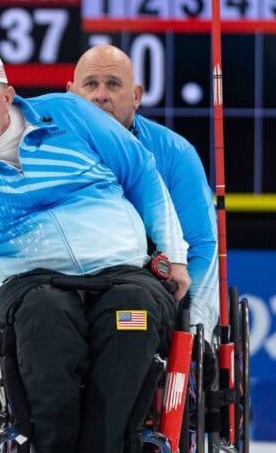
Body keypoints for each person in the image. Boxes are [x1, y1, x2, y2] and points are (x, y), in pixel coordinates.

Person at [0, 43, 189, 453]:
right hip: (34, 283)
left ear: (7, 95)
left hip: (122, 272)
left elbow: (141, 170)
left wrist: (174, 252)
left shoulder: (70, 113)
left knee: (135, 313)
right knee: (45, 318)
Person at [68, 44, 220, 337]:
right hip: (63, 294)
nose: (100, 95)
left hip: (139, 300)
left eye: (113, 84)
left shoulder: (175, 153)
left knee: (130, 322)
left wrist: (195, 329)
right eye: (90, 85)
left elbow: (202, 243)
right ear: (71, 94)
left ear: (136, 96)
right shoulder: (44, 150)